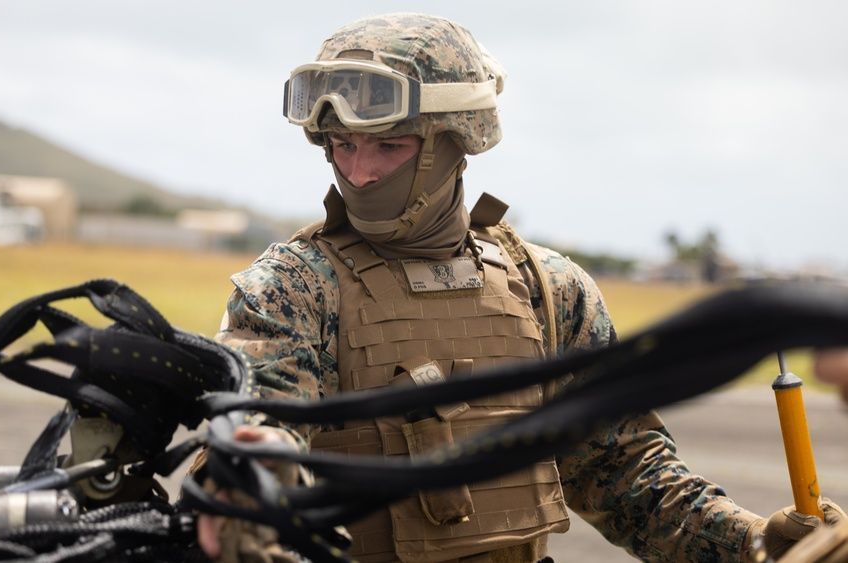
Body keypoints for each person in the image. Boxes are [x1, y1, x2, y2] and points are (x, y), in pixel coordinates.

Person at [198, 13, 843, 562]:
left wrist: (754, 544)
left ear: (455, 142)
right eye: (340, 145)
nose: (358, 173)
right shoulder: (290, 287)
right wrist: (252, 481)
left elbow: (621, 472)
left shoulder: (548, 288)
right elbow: (260, 447)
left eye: (387, 145)